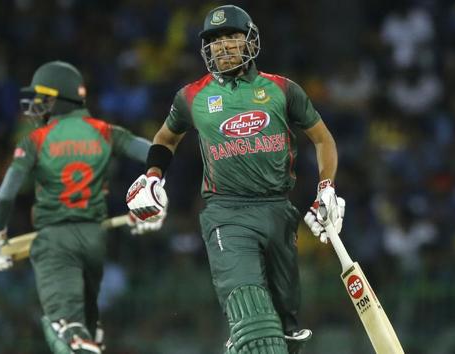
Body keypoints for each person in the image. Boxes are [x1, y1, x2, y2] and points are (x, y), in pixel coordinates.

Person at [125, 5, 345, 354]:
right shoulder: (191, 97)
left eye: (231, 36)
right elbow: (165, 138)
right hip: (226, 213)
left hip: (278, 212)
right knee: (250, 311)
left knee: (285, 332)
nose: (222, 46)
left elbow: (323, 139)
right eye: (214, 40)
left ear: (250, 40)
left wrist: (327, 189)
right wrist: (153, 176)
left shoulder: (282, 90)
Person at [0, 60, 162, 354]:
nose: (36, 105)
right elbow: (157, 153)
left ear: (59, 98)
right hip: (94, 237)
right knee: (87, 323)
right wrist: (153, 197)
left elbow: (4, 196)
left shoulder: (36, 139)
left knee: (62, 328)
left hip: (55, 240)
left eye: (43, 98)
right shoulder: (105, 131)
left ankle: (78, 339)